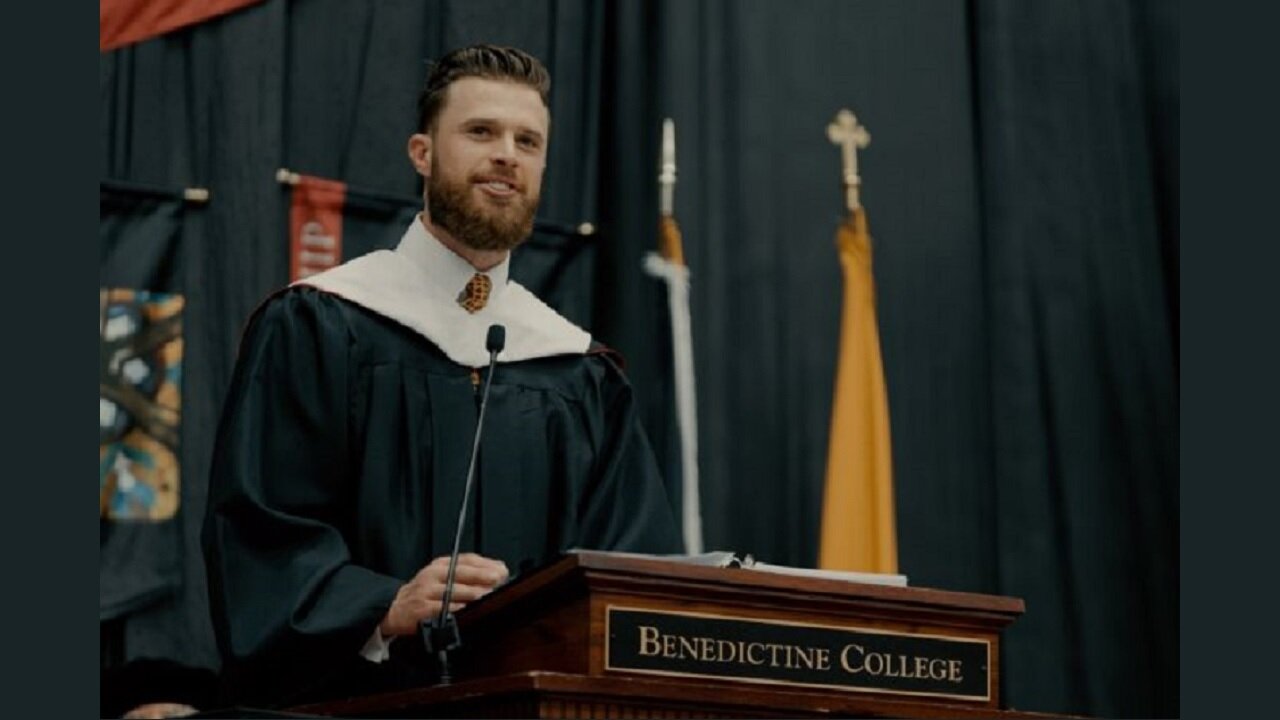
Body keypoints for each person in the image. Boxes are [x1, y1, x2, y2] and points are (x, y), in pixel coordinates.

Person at [202, 44, 682, 709]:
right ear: (422, 153)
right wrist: (384, 607)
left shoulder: (577, 373)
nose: (506, 154)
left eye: (527, 140)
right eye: (480, 131)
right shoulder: (321, 324)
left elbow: (629, 577)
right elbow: (262, 534)